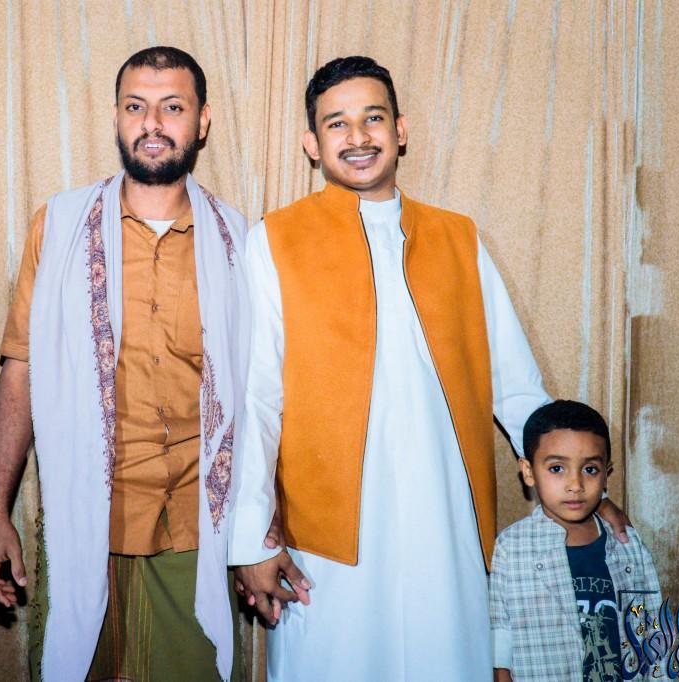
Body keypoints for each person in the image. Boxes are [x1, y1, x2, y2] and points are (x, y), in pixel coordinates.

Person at [227, 56, 630, 681]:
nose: (358, 137)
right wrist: (251, 539)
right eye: (337, 123)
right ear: (312, 143)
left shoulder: (457, 238)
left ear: (401, 129)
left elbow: (517, 386)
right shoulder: (275, 240)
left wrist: (578, 482)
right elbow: (256, 398)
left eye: (373, 118)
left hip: (447, 521)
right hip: (327, 537)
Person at [0, 47, 247, 682]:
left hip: (197, 532)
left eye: (172, 107)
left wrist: (264, 527)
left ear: (203, 120)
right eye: (136, 106)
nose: (152, 123)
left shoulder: (239, 241)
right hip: (86, 523)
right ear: (117, 117)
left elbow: (262, 395)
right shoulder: (60, 227)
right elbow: (21, 370)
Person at [490, 400, 661, 682]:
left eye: (590, 469)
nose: (575, 485)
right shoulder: (511, 547)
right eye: (557, 468)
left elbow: (652, 628)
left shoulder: (627, 544)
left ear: (606, 473)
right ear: (529, 471)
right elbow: (500, 633)